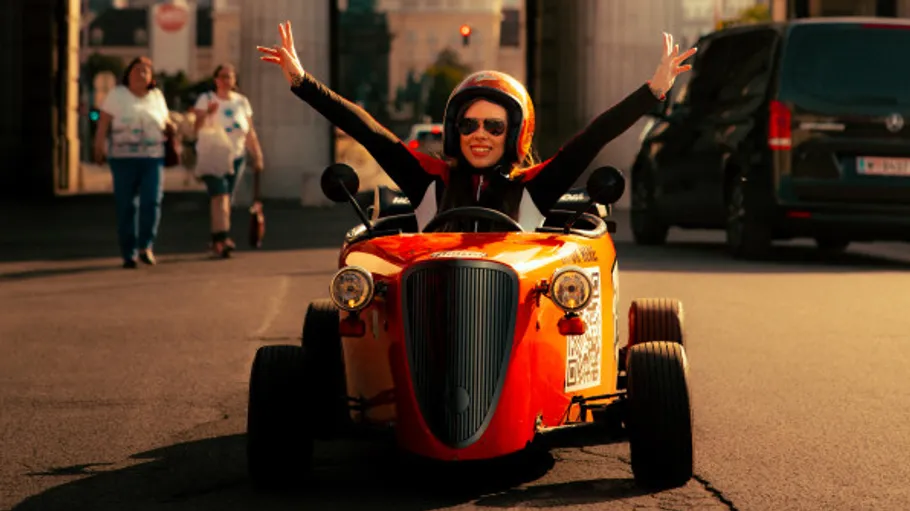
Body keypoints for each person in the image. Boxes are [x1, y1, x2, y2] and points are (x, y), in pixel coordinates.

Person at [258, 21, 695, 232]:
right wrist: (303, 82)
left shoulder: (534, 188)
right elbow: (369, 131)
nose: (480, 134)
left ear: (515, 134)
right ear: (454, 131)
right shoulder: (428, 181)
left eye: (493, 125)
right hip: (432, 305)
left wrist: (652, 91)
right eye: (468, 125)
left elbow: (593, 137)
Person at [94, 56, 175, 268]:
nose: (141, 74)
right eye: (136, 70)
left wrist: (171, 127)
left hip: (152, 157)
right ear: (128, 75)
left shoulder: (157, 97)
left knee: (152, 200)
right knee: (126, 205)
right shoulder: (117, 95)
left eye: (145, 71)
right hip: (123, 159)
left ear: (151, 78)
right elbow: (103, 123)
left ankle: (145, 246)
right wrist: (98, 147)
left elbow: (165, 120)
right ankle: (128, 251)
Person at [193, 63, 265, 258]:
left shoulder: (241, 102)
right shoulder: (206, 99)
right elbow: (196, 129)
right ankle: (222, 239)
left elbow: (249, 131)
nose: (226, 80)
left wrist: (256, 153)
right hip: (213, 156)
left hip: (236, 156)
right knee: (221, 195)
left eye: (230, 76)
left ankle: (218, 237)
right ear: (216, 80)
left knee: (225, 199)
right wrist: (207, 113)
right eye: (222, 76)